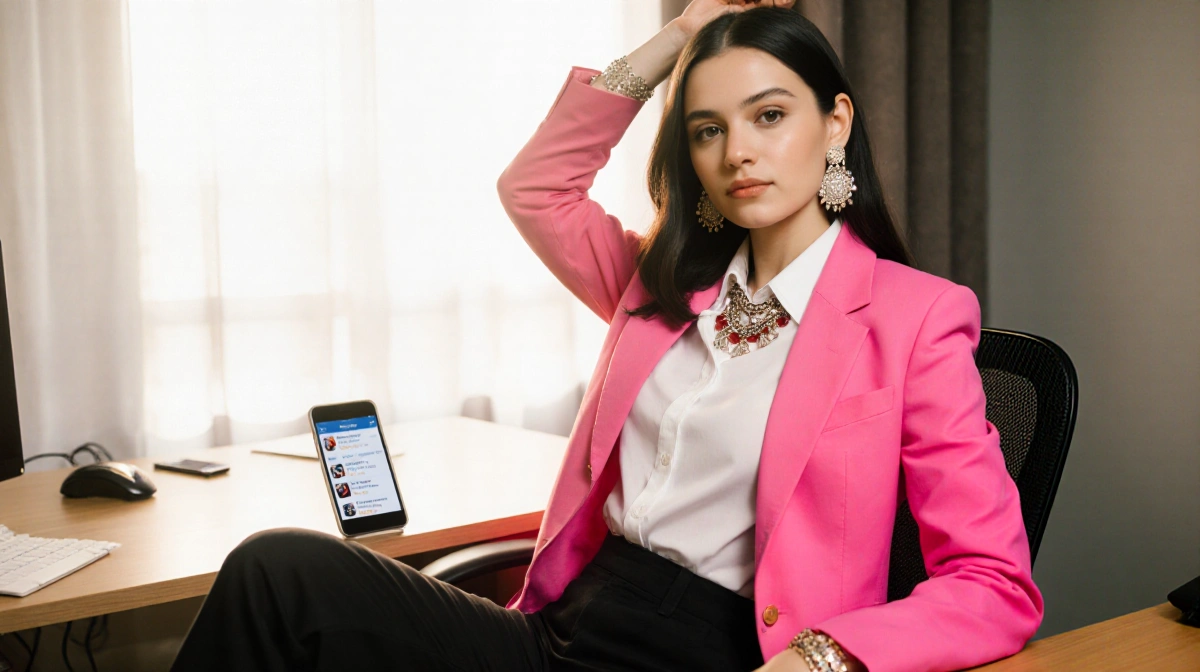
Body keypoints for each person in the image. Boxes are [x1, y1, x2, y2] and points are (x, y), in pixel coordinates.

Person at [169, 2, 1042, 671]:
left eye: (769, 116)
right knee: (279, 572)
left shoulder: (915, 318)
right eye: (708, 129)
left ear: (836, 123)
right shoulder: (656, 285)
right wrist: (681, 38)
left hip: (722, 652)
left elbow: (993, 585)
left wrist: (825, 659)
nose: (738, 151)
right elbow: (536, 189)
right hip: (565, 630)